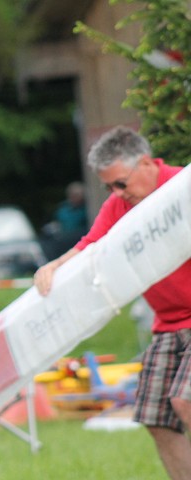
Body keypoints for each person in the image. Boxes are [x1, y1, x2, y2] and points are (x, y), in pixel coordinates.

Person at [34, 126, 191, 480]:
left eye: (121, 183)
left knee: (185, 401)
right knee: (156, 416)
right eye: (108, 187)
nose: (116, 193)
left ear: (147, 164)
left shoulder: (183, 188)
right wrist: (53, 267)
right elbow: (90, 246)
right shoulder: (120, 204)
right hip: (168, 324)